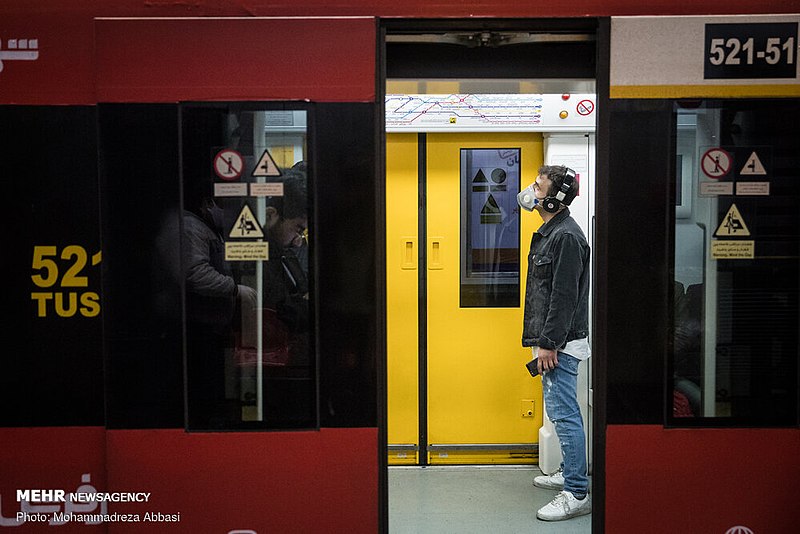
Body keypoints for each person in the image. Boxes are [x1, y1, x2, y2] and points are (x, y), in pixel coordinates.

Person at [518, 165, 591, 521]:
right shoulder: (552, 233)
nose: (531, 190)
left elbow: (563, 296)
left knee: (564, 415)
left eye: (538, 186)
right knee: (561, 413)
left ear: (555, 197)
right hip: (553, 341)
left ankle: (576, 491)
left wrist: (549, 344)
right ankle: (569, 470)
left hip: (559, 344)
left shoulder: (566, 238)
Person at [183, 190, 257, 426]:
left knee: (213, 380)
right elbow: (196, 275)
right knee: (206, 382)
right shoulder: (191, 227)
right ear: (207, 203)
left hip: (212, 324)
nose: (229, 215)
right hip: (200, 324)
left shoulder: (209, 228)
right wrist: (235, 289)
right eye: (225, 206)